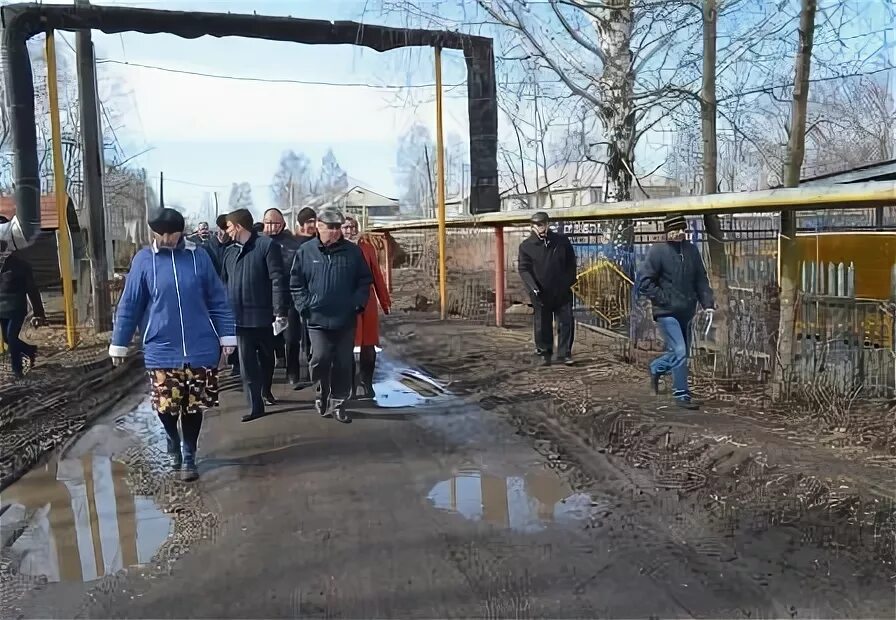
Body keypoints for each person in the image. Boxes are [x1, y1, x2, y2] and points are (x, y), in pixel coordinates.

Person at [108, 208, 236, 481]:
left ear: (182, 231)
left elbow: (217, 299)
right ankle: (171, 437)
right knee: (167, 406)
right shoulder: (144, 261)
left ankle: (188, 455)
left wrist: (227, 336)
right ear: (153, 232)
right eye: (161, 233)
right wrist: (119, 342)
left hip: (200, 345)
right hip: (161, 347)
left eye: (172, 233)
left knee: (193, 405)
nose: (166, 239)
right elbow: (130, 304)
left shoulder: (198, 257)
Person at [290, 209, 371, 423]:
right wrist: (304, 305)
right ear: (319, 226)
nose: (335, 231)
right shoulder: (306, 251)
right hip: (316, 318)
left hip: (345, 318)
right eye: (330, 226)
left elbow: (364, 281)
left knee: (344, 362)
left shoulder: (352, 252)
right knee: (320, 358)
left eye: (338, 227)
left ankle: (338, 402)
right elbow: (296, 282)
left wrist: (357, 304)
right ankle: (320, 391)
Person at [637, 213, 714, 410]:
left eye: (683, 229)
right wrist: (664, 299)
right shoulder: (658, 251)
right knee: (680, 351)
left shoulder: (691, 251)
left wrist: (708, 303)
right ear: (667, 231)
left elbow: (701, 279)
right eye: (675, 229)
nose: (680, 233)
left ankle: (656, 368)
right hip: (666, 312)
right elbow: (644, 282)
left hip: (687, 310)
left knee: (682, 353)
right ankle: (681, 395)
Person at [222, 208, 290, 422]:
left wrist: (280, 312)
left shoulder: (266, 246)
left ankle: (266, 389)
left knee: (267, 360)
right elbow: (223, 285)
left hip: (265, 317)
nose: (227, 231)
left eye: (229, 226)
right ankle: (255, 405)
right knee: (247, 365)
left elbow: (277, 280)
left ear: (239, 226)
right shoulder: (229, 253)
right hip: (240, 320)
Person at [518, 211, 578, 367]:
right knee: (542, 324)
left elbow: (571, 263)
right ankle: (544, 353)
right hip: (541, 292)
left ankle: (564, 354)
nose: (541, 228)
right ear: (532, 226)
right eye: (538, 225)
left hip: (561, 291)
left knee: (566, 322)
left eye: (543, 224)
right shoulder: (526, 246)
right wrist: (533, 287)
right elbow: (524, 269)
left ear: (548, 224)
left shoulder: (561, 241)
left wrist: (569, 281)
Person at [342, 215, 391, 399]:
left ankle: (367, 382)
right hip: (345, 302)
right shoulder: (336, 248)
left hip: (368, 302)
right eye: (346, 227)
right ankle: (350, 385)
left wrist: (384, 302)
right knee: (348, 346)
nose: (349, 231)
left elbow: (377, 275)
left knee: (368, 345)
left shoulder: (367, 248)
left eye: (353, 227)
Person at [262, 207, 304, 384]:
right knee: (269, 339)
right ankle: (270, 372)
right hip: (265, 298)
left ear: (283, 224)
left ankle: (293, 371)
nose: (271, 227)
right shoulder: (259, 243)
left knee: (292, 337)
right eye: (267, 223)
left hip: (290, 297)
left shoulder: (294, 245)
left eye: (274, 223)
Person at [0, 246, 47, 379]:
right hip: (1, 310)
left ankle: (17, 370)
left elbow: (32, 290)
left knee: (12, 338)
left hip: (16, 309)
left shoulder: (20, 266)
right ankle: (29, 350)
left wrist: (39, 313)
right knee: (7, 339)